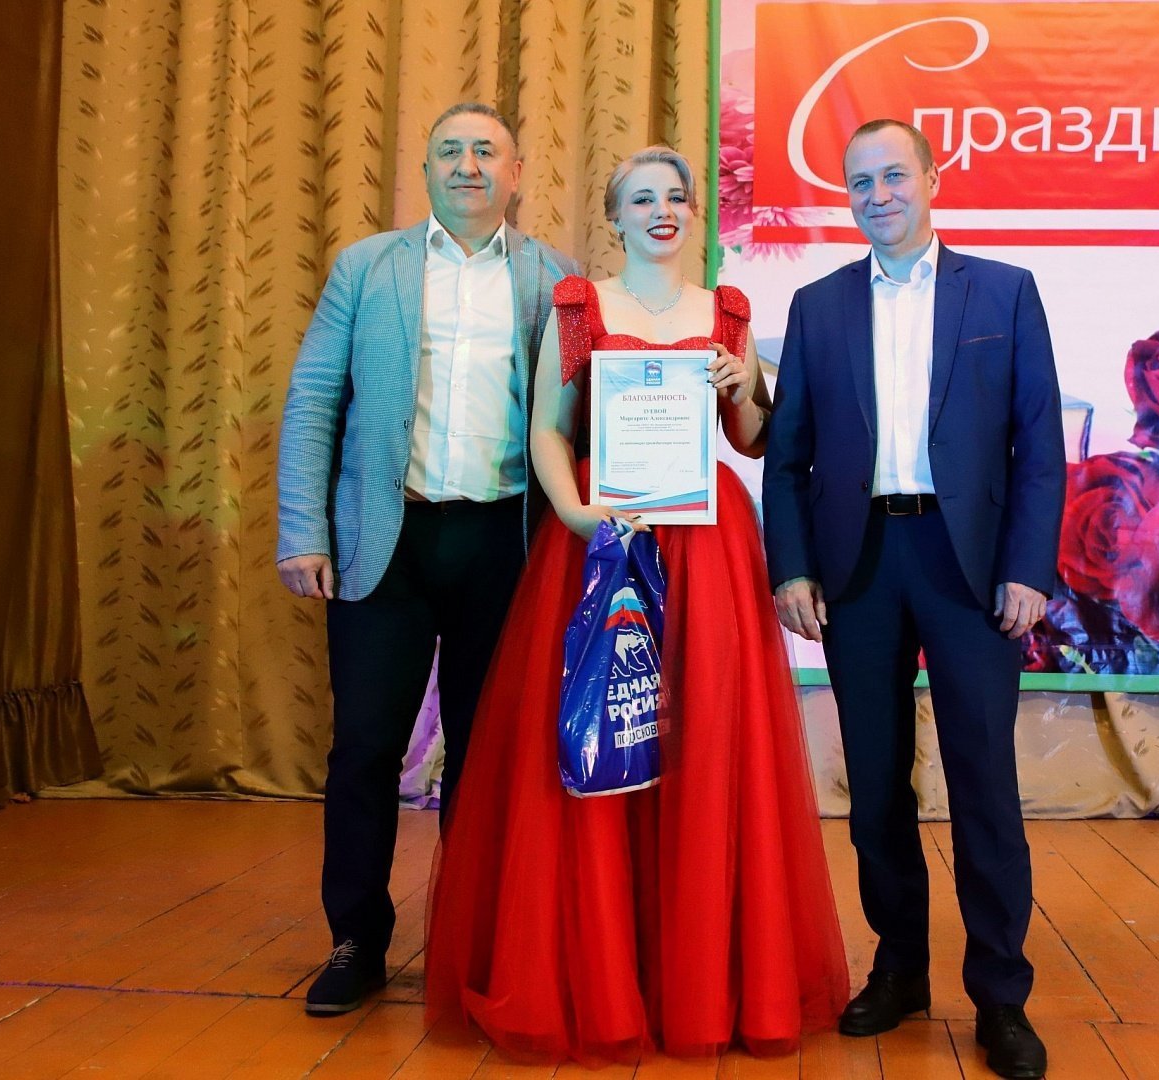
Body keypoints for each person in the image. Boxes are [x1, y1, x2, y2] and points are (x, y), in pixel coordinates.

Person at [424, 146, 848, 1064]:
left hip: (707, 548)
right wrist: (578, 514)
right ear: (615, 217)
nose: (662, 210)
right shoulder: (581, 306)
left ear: (694, 214)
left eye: (677, 197)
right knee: (598, 732)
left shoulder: (728, 311)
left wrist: (747, 392)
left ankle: (696, 983)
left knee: (701, 742)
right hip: (602, 537)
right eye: (642, 198)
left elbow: (753, 438)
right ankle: (603, 978)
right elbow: (548, 429)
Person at [763, 119, 1064, 1080]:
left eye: (896, 175)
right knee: (875, 787)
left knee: (984, 786)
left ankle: (1002, 998)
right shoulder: (817, 305)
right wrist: (790, 568)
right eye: (861, 181)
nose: (879, 194)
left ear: (934, 179)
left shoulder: (1004, 291)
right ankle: (898, 970)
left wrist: (1029, 568)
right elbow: (788, 455)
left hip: (969, 567)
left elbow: (1039, 447)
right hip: (857, 566)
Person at [275, 102, 578, 1016]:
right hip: (385, 543)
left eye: (486, 150)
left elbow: (581, 417)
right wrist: (303, 529)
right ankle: (356, 940)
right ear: (428, 170)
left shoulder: (556, 280)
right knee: (365, 748)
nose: (468, 164)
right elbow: (314, 399)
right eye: (450, 150)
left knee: (486, 757)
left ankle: (468, 938)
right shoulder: (368, 268)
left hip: (503, 547)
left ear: (516, 173)